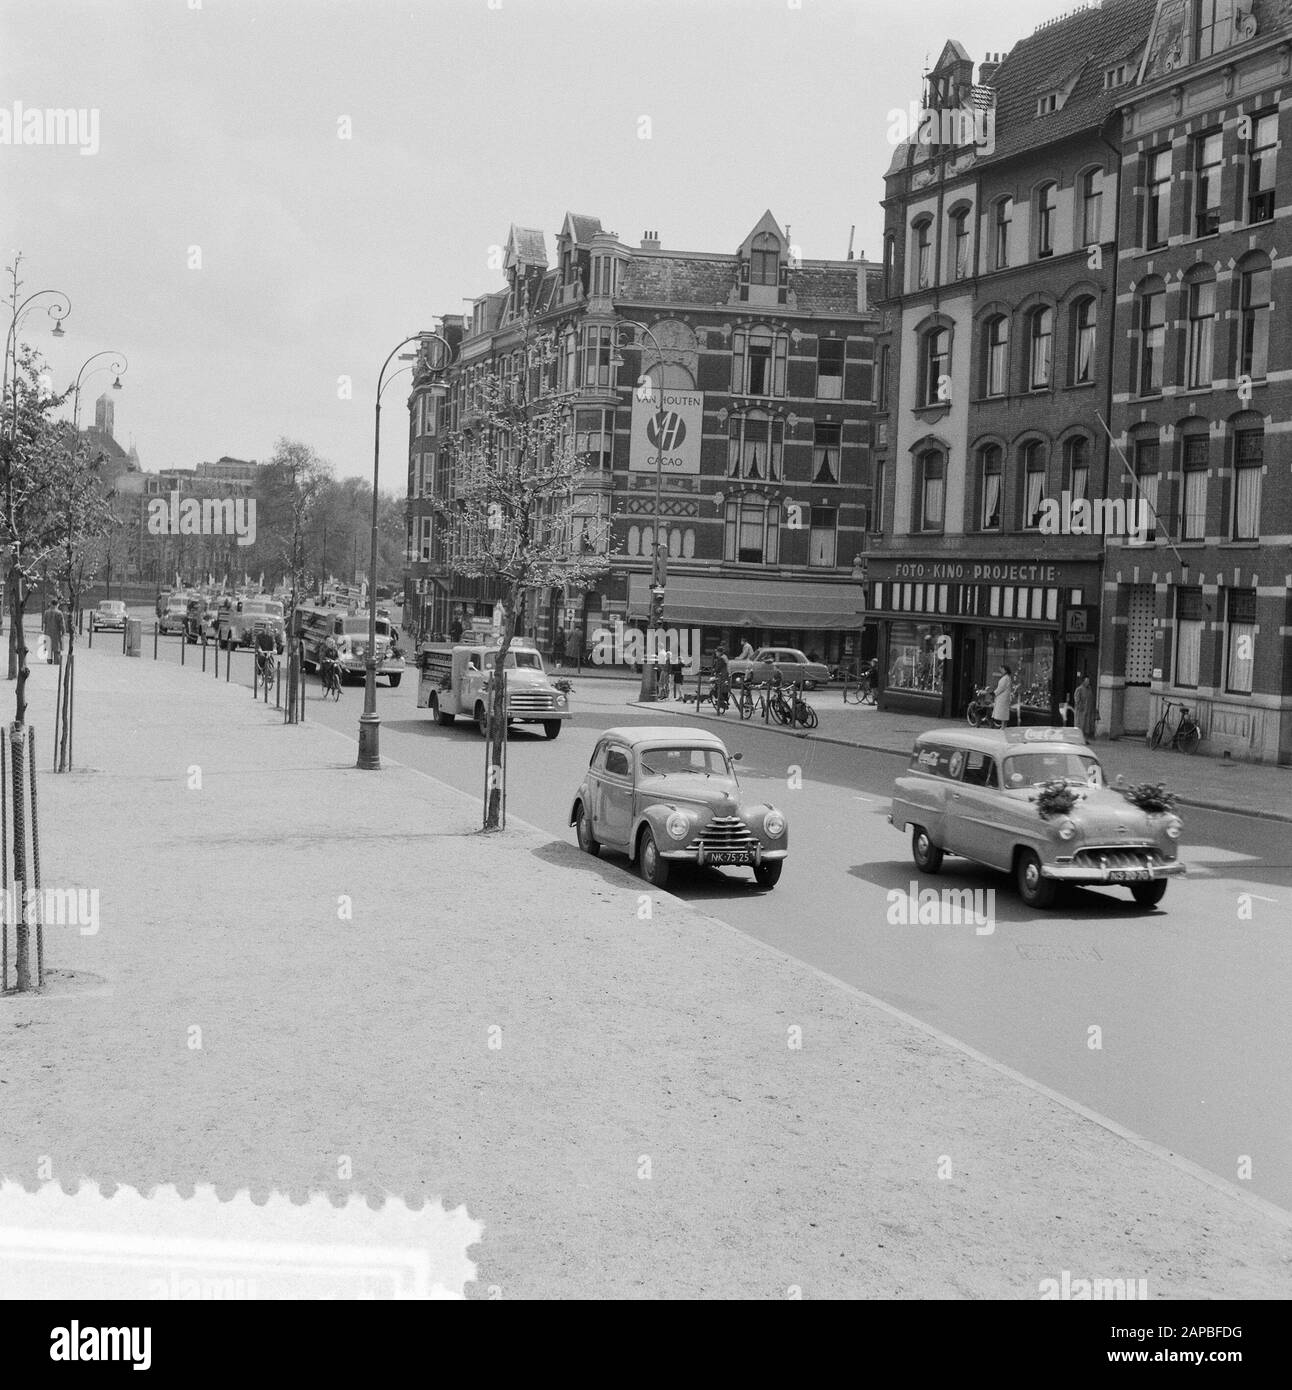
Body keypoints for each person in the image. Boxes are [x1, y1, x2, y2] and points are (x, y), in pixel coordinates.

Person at [43, 598, 65, 664]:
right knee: (57, 649)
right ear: (57, 604)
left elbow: (44, 623)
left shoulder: (46, 612)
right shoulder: (59, 613)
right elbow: (62, 624)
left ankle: (49, 661)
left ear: (51, 604)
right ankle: (56, 662)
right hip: (56, 633)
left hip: (48, 632)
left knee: (49, 648)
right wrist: (63, 631)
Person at [991, 664, 1014, 728]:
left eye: (1002, 669)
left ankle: (1003, 726)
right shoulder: (1007, 677)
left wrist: (994, 693)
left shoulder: (1005, 678)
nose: (1000, 670)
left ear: (1005, 670)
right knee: (1004, 712)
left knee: (1003, 712)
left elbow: (1001, 688)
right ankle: (1004, 725)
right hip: (1003, 697)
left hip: (1002, 697)